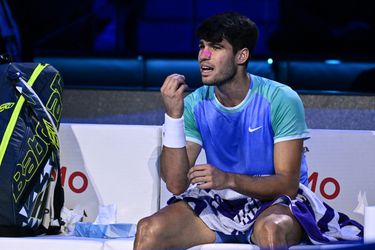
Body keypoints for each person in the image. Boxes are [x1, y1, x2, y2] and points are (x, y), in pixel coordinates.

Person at [134, 12, 363, 249]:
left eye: (216, 47)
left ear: (241, 55)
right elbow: (176, 184)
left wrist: (227, 178)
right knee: (149, 230)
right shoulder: (194, 103)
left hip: (276, 202)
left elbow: (287, 185)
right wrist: (173, 116)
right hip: (221, 203)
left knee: (271, 230)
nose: (204, 55)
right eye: (201, 46)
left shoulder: (280, 98)